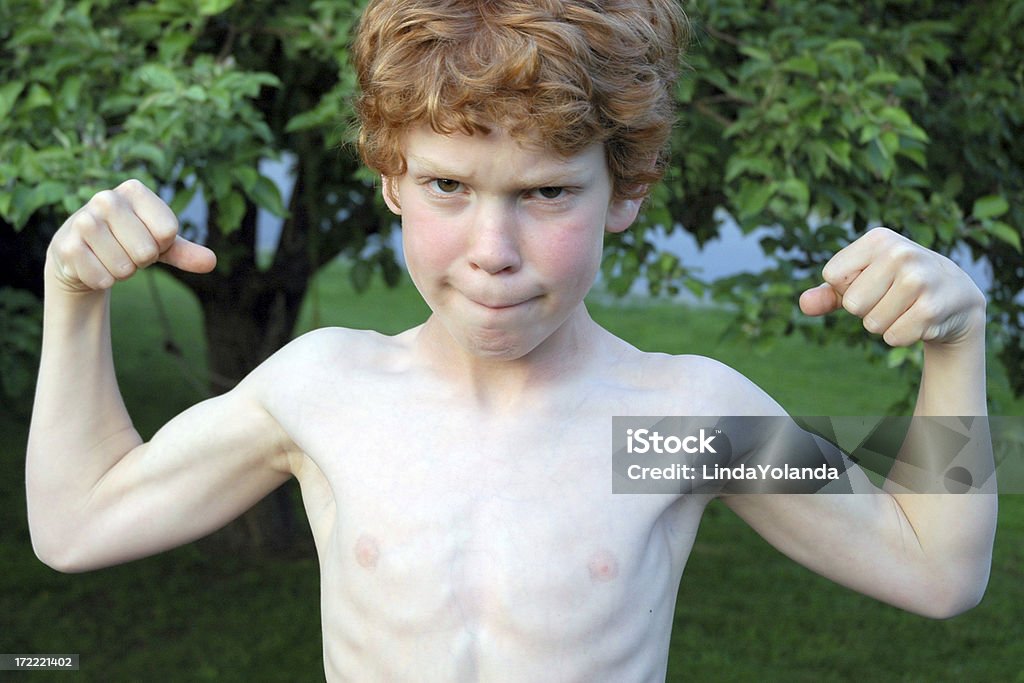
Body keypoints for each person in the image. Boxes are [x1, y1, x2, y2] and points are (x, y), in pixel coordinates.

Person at [27, 0, 996, 680]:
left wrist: (955, 342)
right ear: (392, 180)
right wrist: (73, 295)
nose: (492, 252)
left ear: (623, 193)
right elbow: (79, 525)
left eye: (545, 193)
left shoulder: (672, 422)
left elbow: (933, 568)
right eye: (449, 186)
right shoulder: (327, 390)